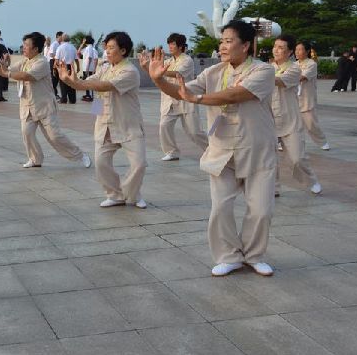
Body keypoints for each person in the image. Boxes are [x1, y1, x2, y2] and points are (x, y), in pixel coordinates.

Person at [148, 20, 276, 277]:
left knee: (260, 209)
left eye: (229, 41)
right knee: (220, 207)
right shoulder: (213, 72)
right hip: (222, 149)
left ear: (246, 45)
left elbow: (234, 94)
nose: (223, 46)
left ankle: (253, 255)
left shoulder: (263, 71)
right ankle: (229, 256)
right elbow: (182, 91)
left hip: (257, 148)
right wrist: (158, 80)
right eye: (222, 41)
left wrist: (197, 99)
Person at [58, 31, 147, 209]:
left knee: (139, 164)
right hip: (105, 124)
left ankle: (132, 193)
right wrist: (71, 81)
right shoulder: (105, 67)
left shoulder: (130, 71)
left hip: (127, 124)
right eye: (106, 47)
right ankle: (115, 195)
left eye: (111, 47)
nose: (107, 51)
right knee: (100, 163)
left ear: (123, 50)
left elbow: (106, 86)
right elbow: (93, 82)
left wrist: (79, 84)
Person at [0, 31, 92, 169]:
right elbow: (6, 73)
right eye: (23, 44)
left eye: (26, 45)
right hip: (27, 106)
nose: (23, 47)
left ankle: (80, 155)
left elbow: (26, 76)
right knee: (27, 133)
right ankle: (35, 159)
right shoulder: (25, 61)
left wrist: (6, 71)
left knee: (54, 137)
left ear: (36, 49)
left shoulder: (42, 63)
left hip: (44, 107)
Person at [140, 33, 208, 161]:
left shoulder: (187, 60)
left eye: (173, 44)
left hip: (185, 98)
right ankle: (172, 151)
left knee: (194, 132)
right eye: (169, 44)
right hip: (170, 99)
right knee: (164, 125)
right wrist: (146, 66)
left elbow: (177, 74)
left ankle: (211, 149)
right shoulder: (169, 61)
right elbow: (156, 73)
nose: (170, 46)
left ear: (181, 46)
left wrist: (160, 71)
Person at [271, 35, 322, 196]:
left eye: (281, 47)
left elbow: (278, 81)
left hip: (289, 120)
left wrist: (259, 75)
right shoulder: (268, 68)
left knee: (297, 159)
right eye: (275, 46)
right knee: (269, 160)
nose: (276, 50)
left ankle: (311, 180)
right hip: (269, 120)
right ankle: (274, 188)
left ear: (290, 52)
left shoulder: (294, 68)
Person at [295, 41, 330, 151]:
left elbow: (302, 77)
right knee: (291, 124)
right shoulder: (294, 64)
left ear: (307, 51)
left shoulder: (311, 64)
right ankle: (284, 142)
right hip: (294, 99)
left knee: (311, 124)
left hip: (306, 99)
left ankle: (322, 141)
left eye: (300, 49)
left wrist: (287, 77)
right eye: (296, 50)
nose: (297, 52)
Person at [55, 33, 79, 104]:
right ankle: (72, 99)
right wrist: (78, 67)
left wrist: (56, 68)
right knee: (71, 82)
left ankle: (64, 99)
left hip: (63, 66)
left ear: (62, 39)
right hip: (71, 66)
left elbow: (56, 60)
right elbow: (76, 59)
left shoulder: (60, 47)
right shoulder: (73, 47)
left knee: (63, 83)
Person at [77, 36, 99, 101]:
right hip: (87, 68)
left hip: (88, 69)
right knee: (86, 82)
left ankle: (90, 96)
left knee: (89, 82)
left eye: (84, 39)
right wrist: (82, 44)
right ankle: (88, 94)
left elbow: (91, 58)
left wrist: (87, 69)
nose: (83, 40)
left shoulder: (90, 48)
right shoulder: (88, 48)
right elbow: (78, 52)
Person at [49, 31, 63, 98]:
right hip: (53, 61)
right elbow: (51, 54)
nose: (62, 38)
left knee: (57, 79)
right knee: (54, 78)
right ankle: (53, 94)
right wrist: (57, 59)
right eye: (62, 36)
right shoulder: (54, 44)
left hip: (58, 62)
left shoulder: (60, 44)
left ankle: (55, 93)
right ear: (58, 36)